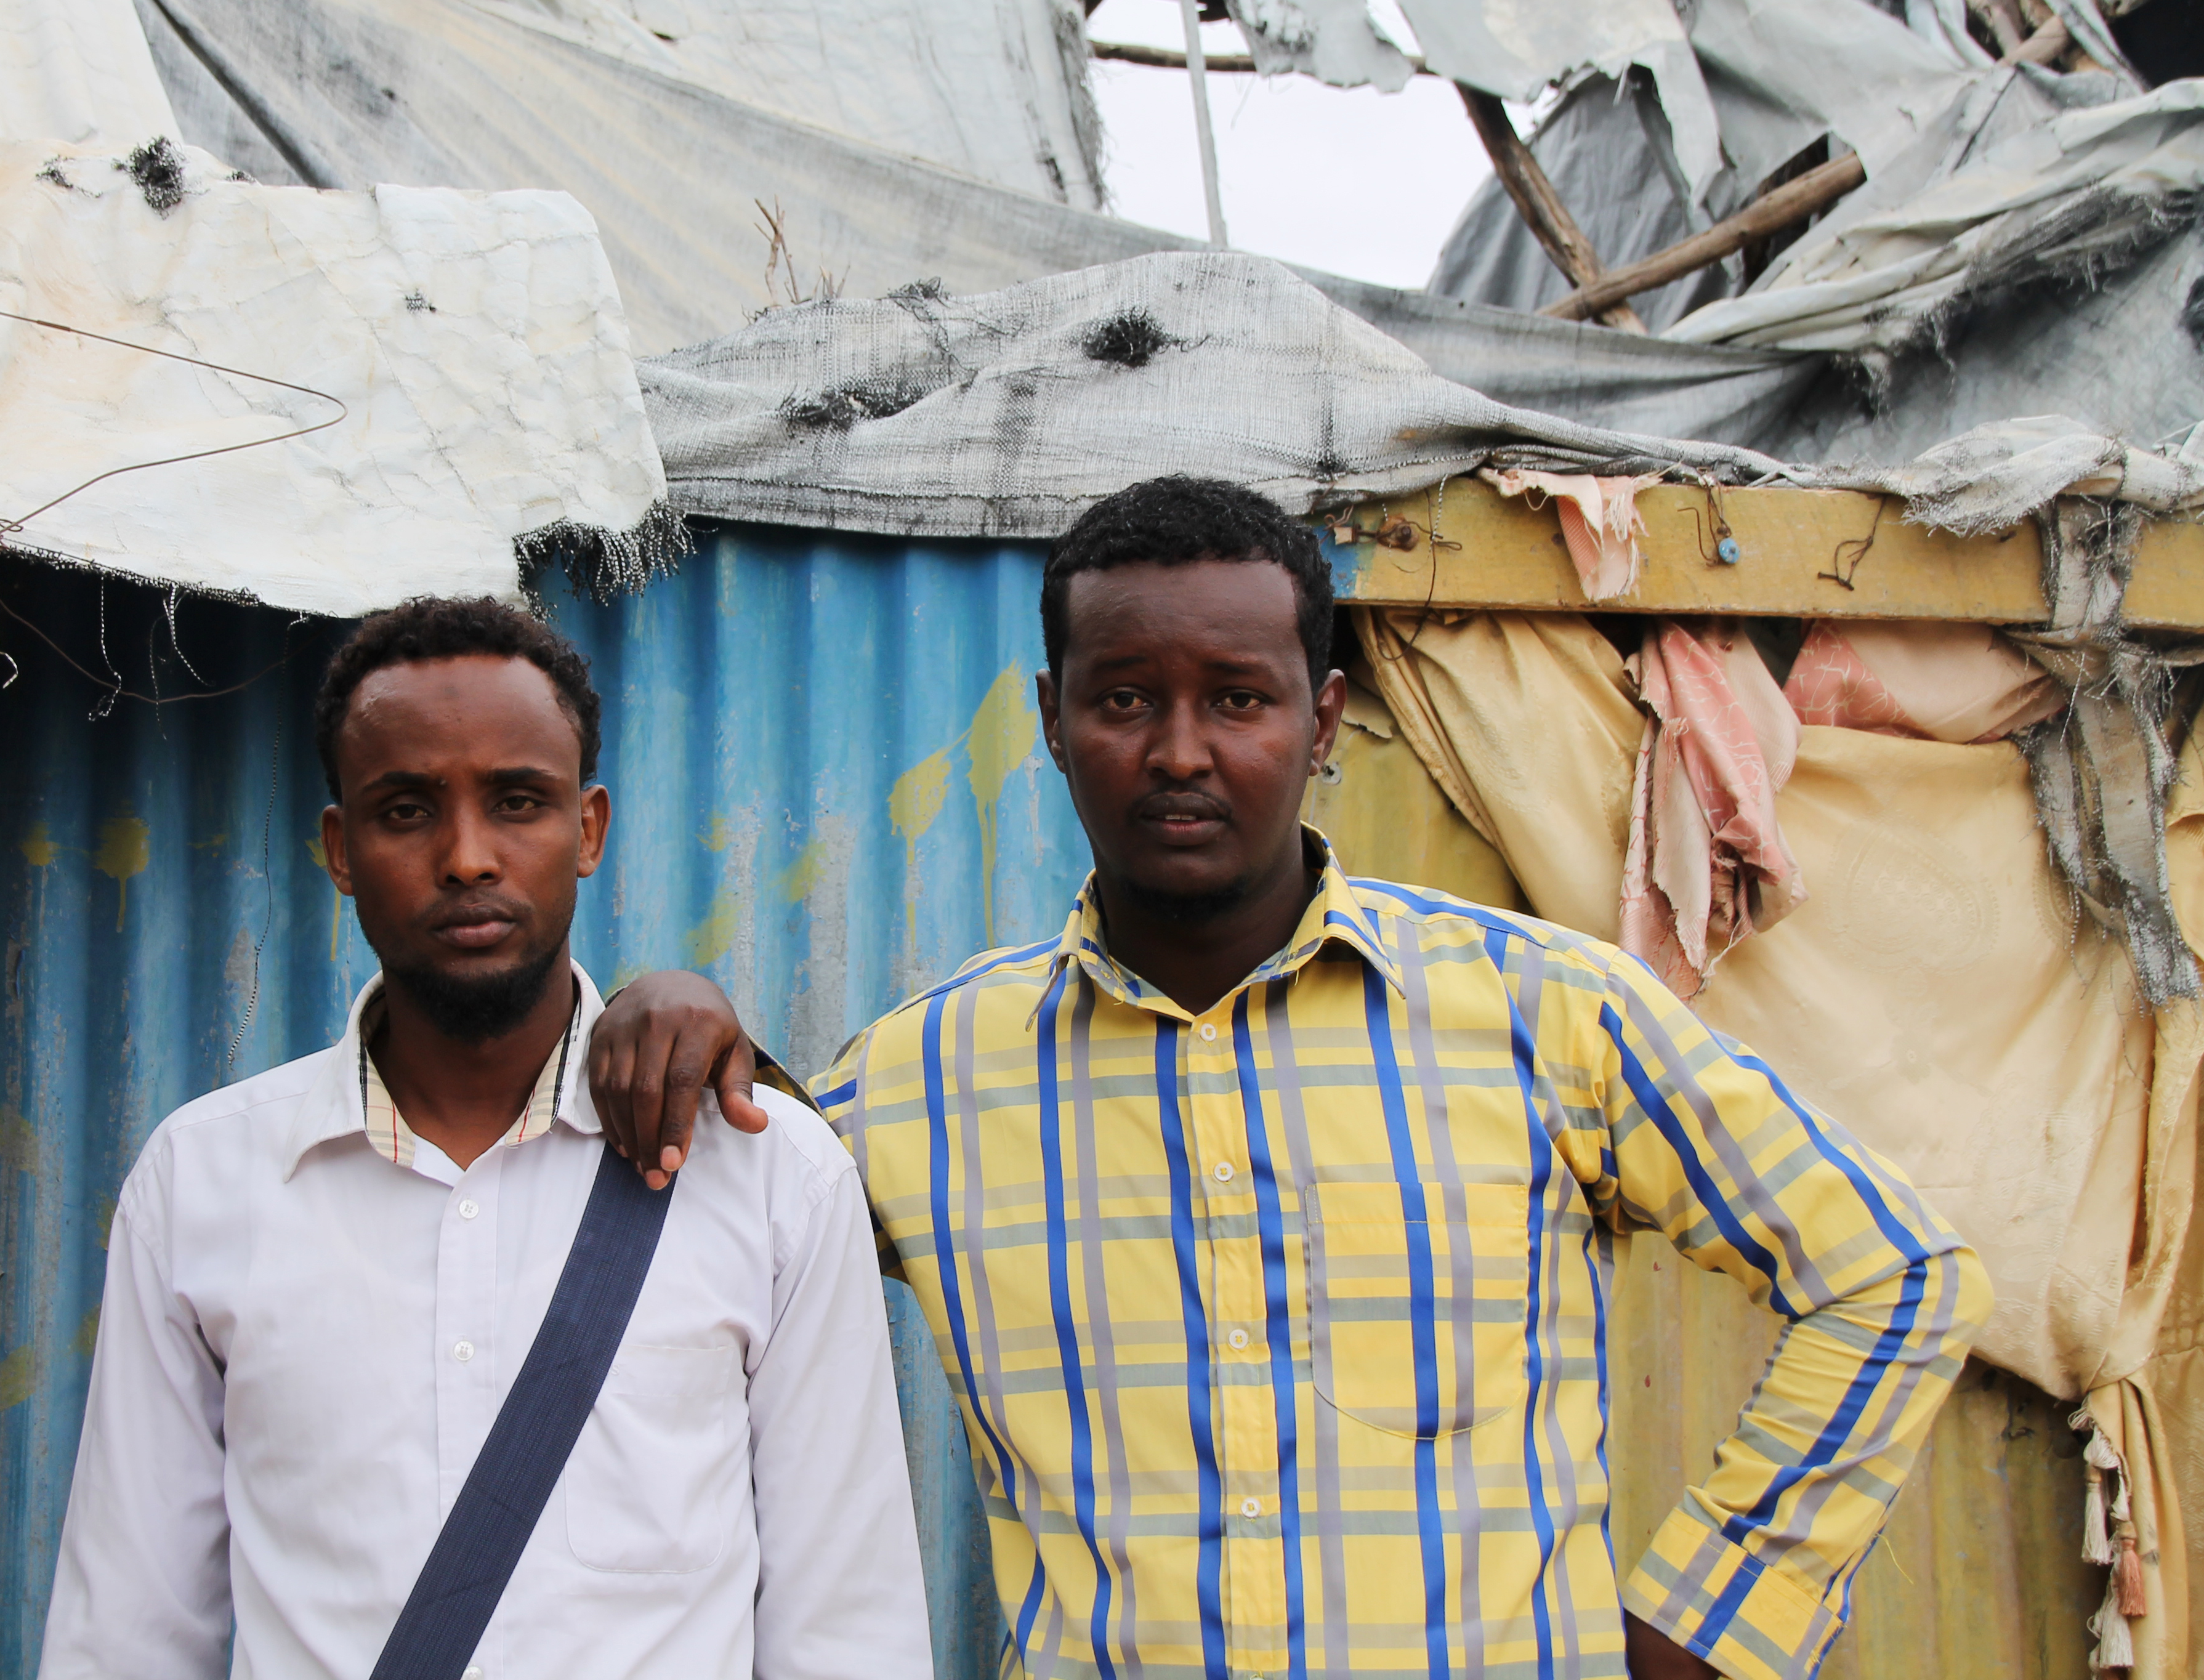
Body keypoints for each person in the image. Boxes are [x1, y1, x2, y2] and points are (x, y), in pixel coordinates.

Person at [589, 477, 1988, 1680]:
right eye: (1126, 697)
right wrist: (685, 1011)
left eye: (1240, 699)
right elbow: (725, 1250)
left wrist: (1707, 1623)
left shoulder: (1542, 1012)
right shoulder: (923, 1083)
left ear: (1323, 722)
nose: (1182, 749)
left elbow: (1895, 1275)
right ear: (1052, 719)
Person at [38, 597, 930, 1680]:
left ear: (589, 830)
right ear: (340, 849)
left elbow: (848, 1624)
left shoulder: (767, 1172)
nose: (467, 858)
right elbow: (130, 1629)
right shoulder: (205, 1183)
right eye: (407, 811)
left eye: (517, 802)